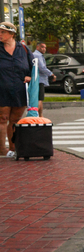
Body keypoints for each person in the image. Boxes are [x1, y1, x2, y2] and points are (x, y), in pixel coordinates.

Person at [0, 22, 32, 158]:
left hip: (20, 90)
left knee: (15, 120)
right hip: (2, 89)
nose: (0, 34)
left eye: (3, 32)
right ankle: (2, 149)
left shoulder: (23, 49)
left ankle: (13, 148)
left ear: (12, 34)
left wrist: (29, 76)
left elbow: (32, 67)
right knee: (3, 118)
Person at [33, 42, 56, 117]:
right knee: (39, 99)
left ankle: (40, 116)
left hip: (39, 79)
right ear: (37, 47)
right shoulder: (37, 55)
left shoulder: (38, 55)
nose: (44, 49)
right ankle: (36, 115)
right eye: (42, 47)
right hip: (39, 79)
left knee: (40, 99)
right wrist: (51, 74)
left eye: (45, 47)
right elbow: (42, 67)